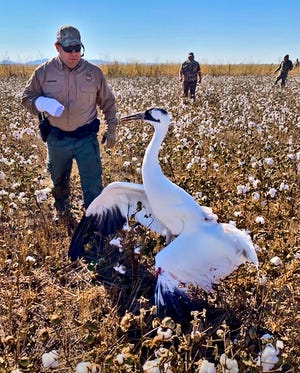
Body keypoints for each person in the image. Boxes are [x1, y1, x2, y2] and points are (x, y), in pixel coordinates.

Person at [22, 25, 118, 222]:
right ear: (57, 47)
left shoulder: (94, 73)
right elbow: (26, 98)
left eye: (78, 48)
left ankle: (94, 220)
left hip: (86, 138)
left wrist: (112, 129)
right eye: (68, 49)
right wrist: (42, 102)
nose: (74, 54)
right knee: (58, 180)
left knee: (92, 184)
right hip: (57, 138)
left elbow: (108, 102)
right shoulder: (43, 72)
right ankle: (62, 211)